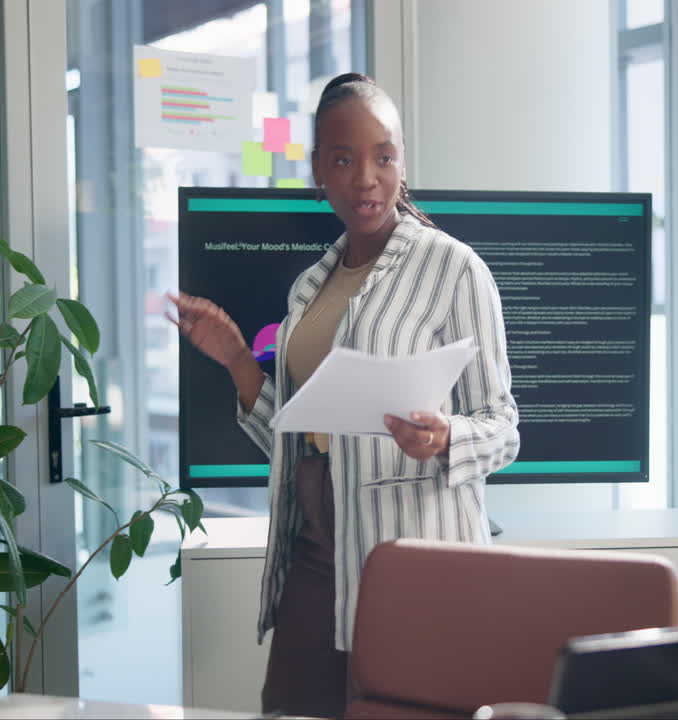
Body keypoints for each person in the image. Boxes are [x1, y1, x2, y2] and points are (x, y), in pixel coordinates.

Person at [168, 72, 520, 718]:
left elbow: (504, 427)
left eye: (383, 157)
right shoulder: (310, 287)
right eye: (344, 159)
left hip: (410, 561)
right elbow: (300, 434)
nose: (366, 179)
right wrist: (238, 359)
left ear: (402, 162)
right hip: (314, 552)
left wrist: (447, 438)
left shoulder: (454, 269)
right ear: (317, 171)